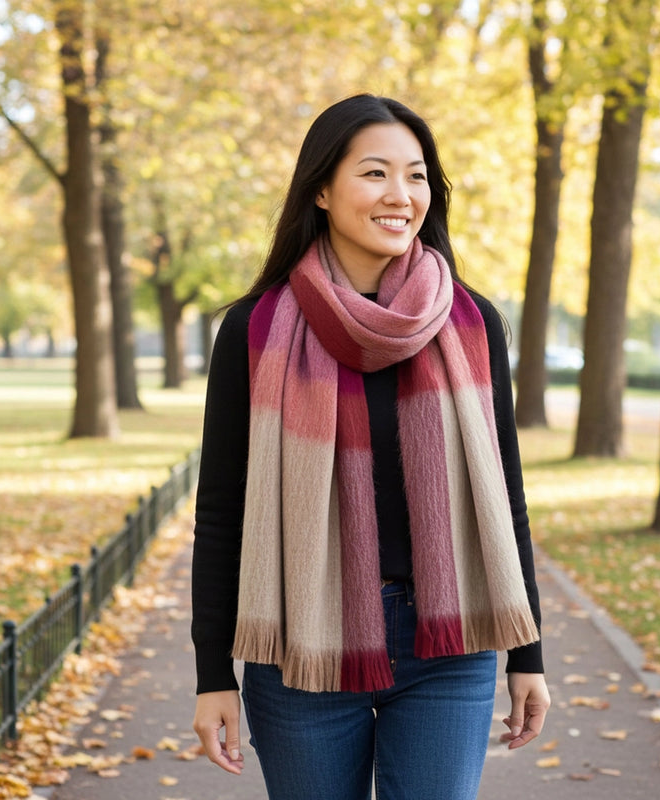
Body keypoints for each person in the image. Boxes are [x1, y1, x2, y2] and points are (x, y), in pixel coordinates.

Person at [191, 94, 550, 800]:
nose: (401, 195)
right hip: (303, 646)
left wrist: (528, 654)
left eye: (417, 176)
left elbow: (504, 498)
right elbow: (221, 513)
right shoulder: (254, 330)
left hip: (447, 641)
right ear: (321, 189)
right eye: (376, 173)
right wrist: (212, 675)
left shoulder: (474, 325)